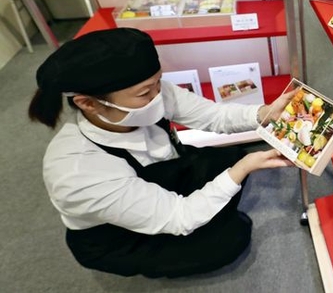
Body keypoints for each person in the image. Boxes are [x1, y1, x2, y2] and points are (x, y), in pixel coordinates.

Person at [29, 28, 295, 278]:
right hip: (117, 235)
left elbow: (214, 116)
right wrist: (243, 168)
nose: (158, 96)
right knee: (230, 240)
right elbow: (181, 217)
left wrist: (264, 113)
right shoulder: (77, 174)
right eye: (145, 93)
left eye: (159, 83)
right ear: (88, 103)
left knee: (229, 159)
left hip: (162, 170)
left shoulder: (148, 93)